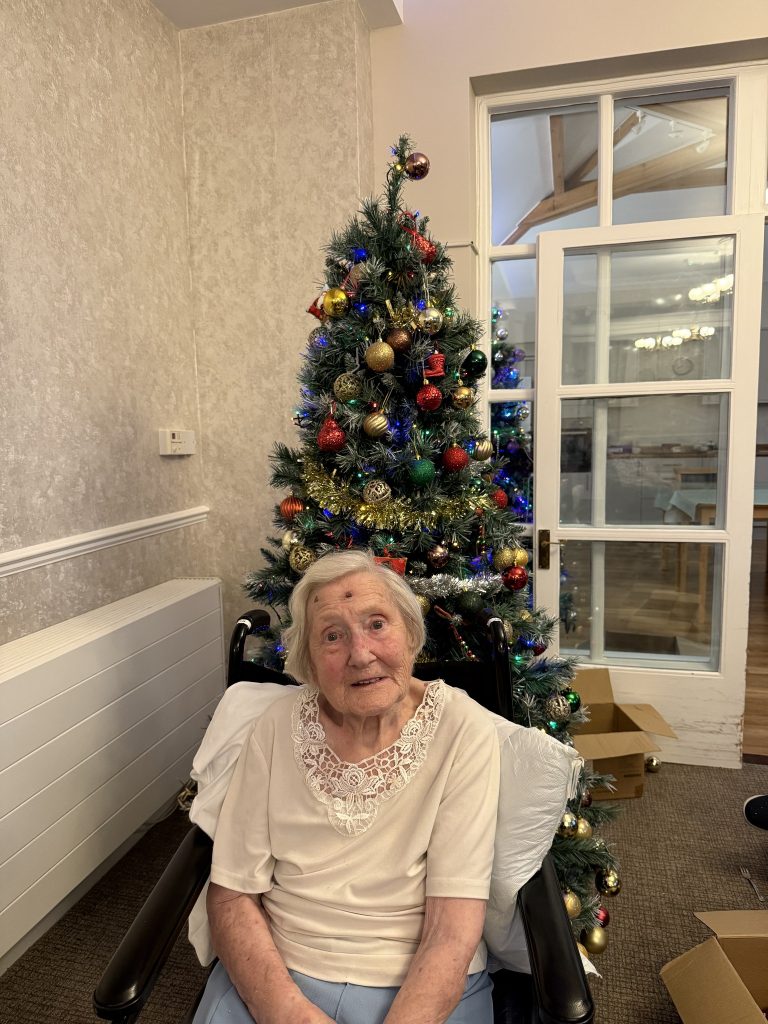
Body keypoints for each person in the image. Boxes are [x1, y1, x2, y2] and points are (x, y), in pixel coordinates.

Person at [192, 549, 501, 1024]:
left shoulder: (464, 730)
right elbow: (232, 894)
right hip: (278, 974)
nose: (361, 654)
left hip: (420, 985)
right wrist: (290, 1014)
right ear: (310, 664)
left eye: (377, 624)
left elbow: (452, 929)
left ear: (411, 634)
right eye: (332, 636)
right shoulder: (276, 726)